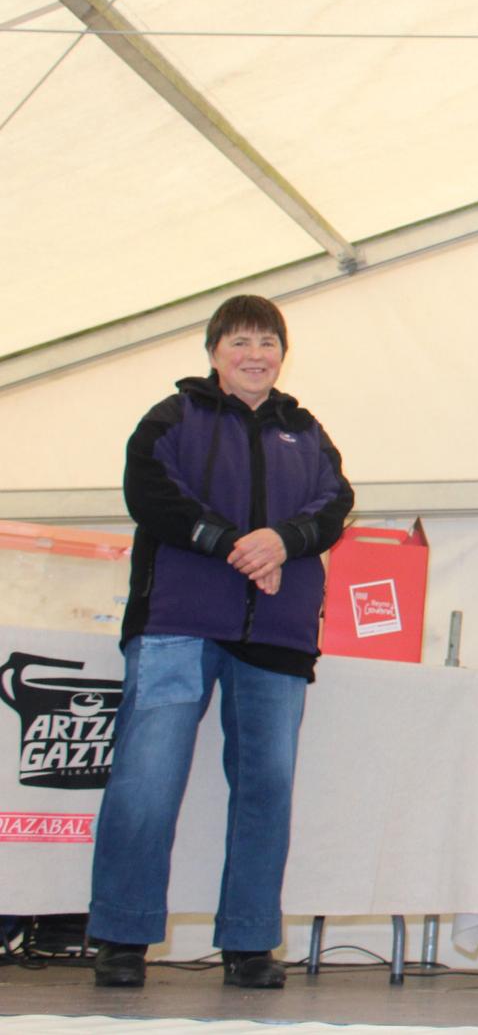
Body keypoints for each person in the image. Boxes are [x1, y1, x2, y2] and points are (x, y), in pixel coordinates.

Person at [89, 295, 354, 989]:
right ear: (214, 352)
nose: (255, 354)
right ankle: (120, 934)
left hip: (277, 636)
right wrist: (228, 542)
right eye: (241, 340)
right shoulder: (172, 417)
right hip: (176, 623)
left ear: (282, 354)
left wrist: (280, 542)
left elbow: (334, 504)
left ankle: (250, 941)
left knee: (267, 787)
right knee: (146, 781)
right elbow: (150, 492)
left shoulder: (307, 431)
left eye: (268, 341)